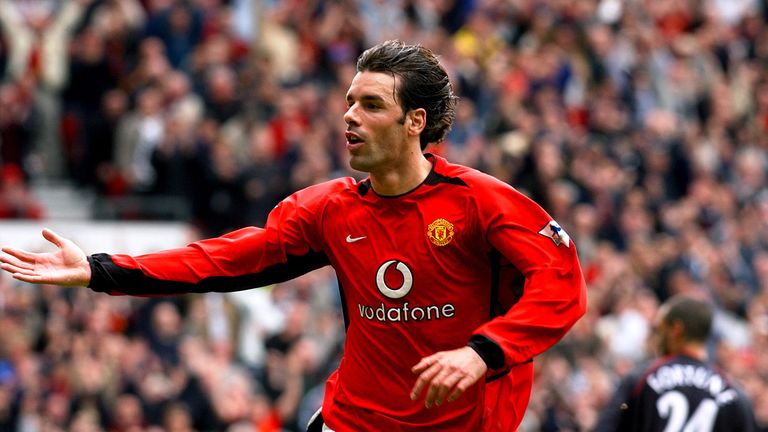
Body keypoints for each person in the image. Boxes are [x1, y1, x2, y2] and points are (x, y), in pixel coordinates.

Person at [0, 40, 587, 432]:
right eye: (349, 102)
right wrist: (102, 269)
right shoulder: (330, 209)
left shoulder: (481, 202)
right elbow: (227, 259)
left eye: (372, 105)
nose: (350, 116)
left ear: (416, 122)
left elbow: (561, 286)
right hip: (350, 423)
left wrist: (482, 352)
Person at [594, 294, 757, 432]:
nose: (656, 338)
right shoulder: (732, 391)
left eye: (659, 329)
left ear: (676, 329)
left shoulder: (641, 380)